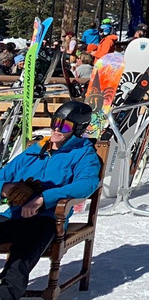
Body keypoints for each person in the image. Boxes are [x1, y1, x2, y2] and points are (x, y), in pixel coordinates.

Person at [0, 101, 100, 300]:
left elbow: (87, 184)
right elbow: (3, 175)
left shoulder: (83, 154)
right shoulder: (35, 151)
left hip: (46, 219)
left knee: (21, 256)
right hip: (12, 215)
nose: (56, 128)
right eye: (55, 122)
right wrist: (6, 188)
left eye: (64, 126)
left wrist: (43, 199)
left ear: (78, 129)